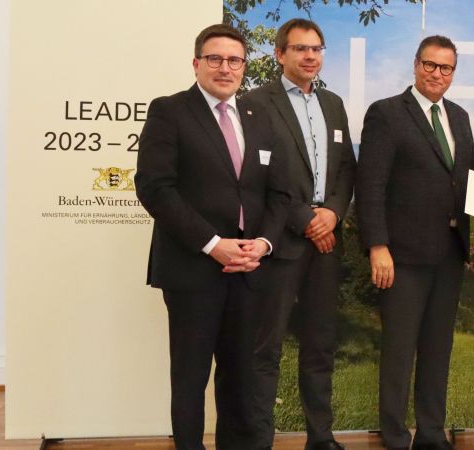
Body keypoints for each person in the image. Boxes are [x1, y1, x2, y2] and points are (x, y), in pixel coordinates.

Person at [135, 23, 291, 450]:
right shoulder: (170, 110)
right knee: (190, 376)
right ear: (197, 63)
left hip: (248, 269)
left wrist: (263, 244)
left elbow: (280, 192)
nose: (226, 68)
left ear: (244, 66)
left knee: (240, 376)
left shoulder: (259, 119)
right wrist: (212, 244)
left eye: (235, 60)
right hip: (193, 268)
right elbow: (154, 188)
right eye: (216, 59)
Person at [355, 35, 474, 450]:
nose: (437, 74)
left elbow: (468, 181)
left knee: (437, 350)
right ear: (415, 64)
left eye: (446, 68)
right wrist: (377, 245)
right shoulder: (387, 113)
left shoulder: (459, 117)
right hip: (401, 255)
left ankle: (430, 433)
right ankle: (394, 436)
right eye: (430, 65)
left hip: (449, 253)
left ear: (453, 73)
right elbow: (370, 185)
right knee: (399, 350)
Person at [243, 18, 356, 450]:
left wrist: (332, 213)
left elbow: (347, 167)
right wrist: (304, 219)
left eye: (317, 49)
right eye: (300, 49)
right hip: (280, 242)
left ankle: (321, 438)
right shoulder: (255, 102)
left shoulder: (333, 103)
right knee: (266, 349)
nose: (311, 56)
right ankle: (259, 441)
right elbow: (256, 175)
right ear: (279, 54)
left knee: (320, 346)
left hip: (327, 243)